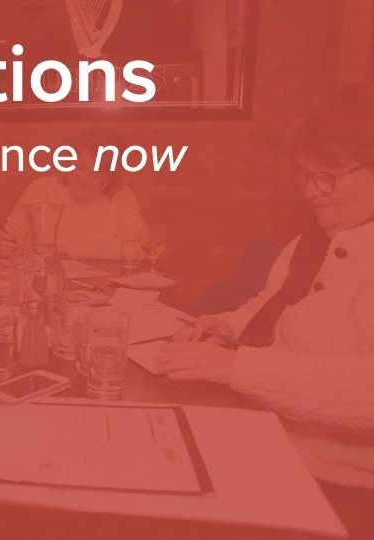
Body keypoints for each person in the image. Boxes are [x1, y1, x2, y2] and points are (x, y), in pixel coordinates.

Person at [156, 83, 374, 537]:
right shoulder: (314, 239)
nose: (312, 192)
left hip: (339, 490)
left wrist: (235, 367)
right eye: (305, 176)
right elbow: (272, 304)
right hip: (269, 440)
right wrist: (227, 325)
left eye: (327, 176)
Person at [0, 128, 148, 260]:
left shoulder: (122, 198)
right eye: (78, 167)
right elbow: (10, 238)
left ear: (110, 179)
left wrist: (71, 249)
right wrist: (1, 246)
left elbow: (139, 250)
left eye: (95, 175)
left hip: (104, 284)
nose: (83, 179)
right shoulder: (41, 189)